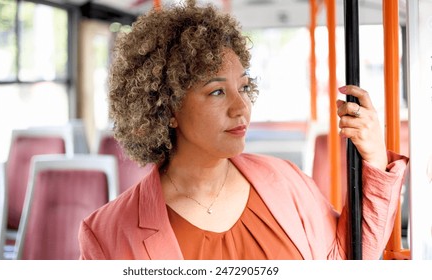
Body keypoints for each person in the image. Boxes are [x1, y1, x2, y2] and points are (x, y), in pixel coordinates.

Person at [78, 0, 408, 260]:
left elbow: (346, 258)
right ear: (167, 108)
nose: (242, 108)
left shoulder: (286, 181)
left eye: (244, 88)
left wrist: (375, 158)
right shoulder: (107, 234)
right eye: (217, 91)